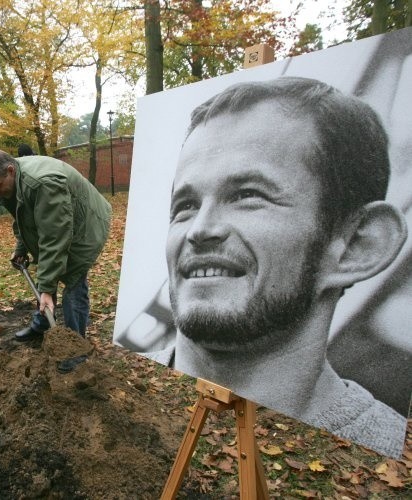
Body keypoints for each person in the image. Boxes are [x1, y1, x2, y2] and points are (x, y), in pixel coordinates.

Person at [152, 77, 407, 458]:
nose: (200, 230)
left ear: (357, 246)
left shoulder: (383, 447)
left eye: (247, 195)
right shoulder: (121, 389)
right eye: (185, 205)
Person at [0, 149, 111, 372]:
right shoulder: (12, 180)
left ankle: (75, 348)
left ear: (9, 170)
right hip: (61, 224)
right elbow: (23, 217)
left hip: (84, 227)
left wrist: (47, 288)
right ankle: (43, 324)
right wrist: (21, 247)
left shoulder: (43, 184)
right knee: (48, 274)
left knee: (73, 283)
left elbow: (55, 237)